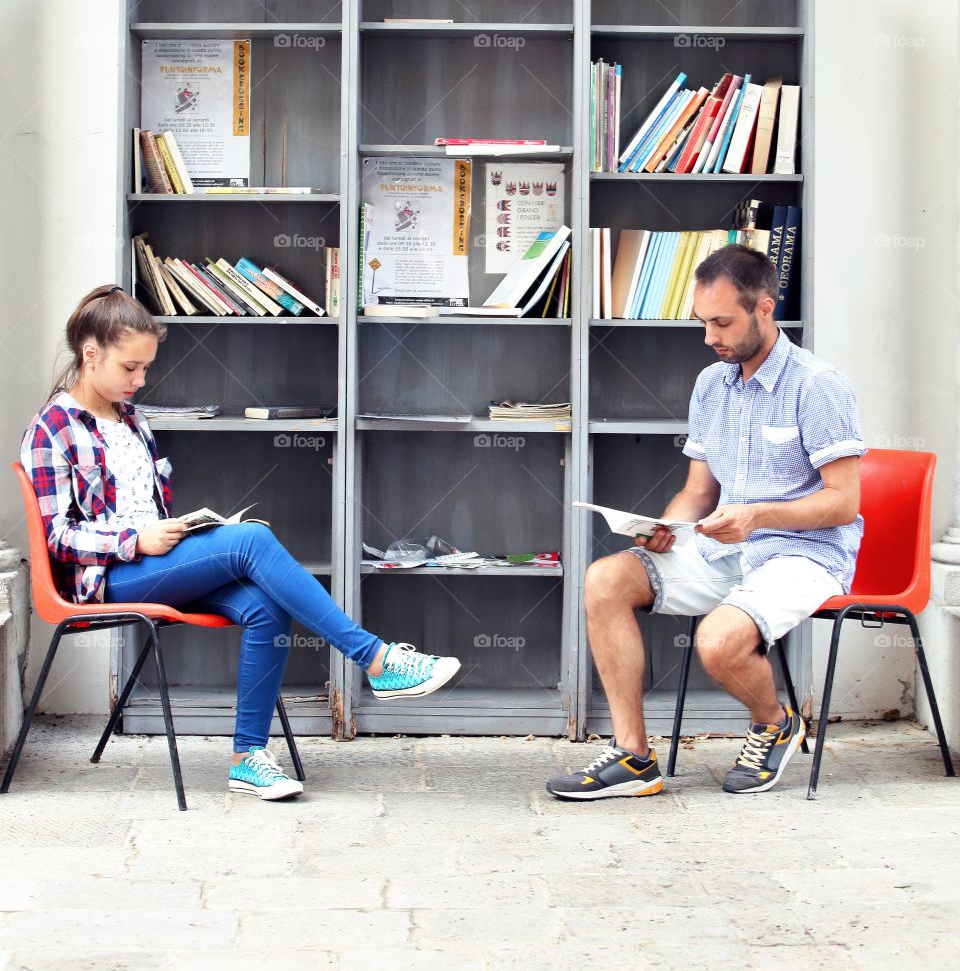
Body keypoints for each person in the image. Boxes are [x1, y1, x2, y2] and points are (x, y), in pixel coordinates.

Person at [21, 285, 462, 802]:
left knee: (265, 604)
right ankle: (377, 659)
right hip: (108, 579)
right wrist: (134, 538)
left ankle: (247, 759)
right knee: (251, 540)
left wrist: (176, 530)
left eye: (146, 368)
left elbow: (147, 506)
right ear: (91, 354)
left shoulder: (132, 419)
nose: (140, 381)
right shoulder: (51, 429)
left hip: (156, 562)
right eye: (130, 368)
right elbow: (57, 536)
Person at [548, 244, 866, 801]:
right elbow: (698, 492)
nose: (708, 337)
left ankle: (775, 722)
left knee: (717, 643)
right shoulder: (712, 384)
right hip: (725, 548)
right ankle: (634, 757)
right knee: (606, 579)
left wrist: (757, 515)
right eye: (703, 322)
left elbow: (843, 503)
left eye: (722, 322)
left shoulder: (818, 385)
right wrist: (665, 528)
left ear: (764, 307)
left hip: (805, 553)